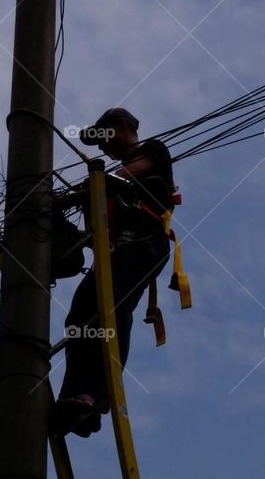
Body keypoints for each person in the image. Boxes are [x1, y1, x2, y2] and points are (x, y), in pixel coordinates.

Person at [52, 108, 174, 438]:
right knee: (81, 315)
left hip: (144, 243)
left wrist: (88, 187)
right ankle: (76, 397)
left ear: (120, 125)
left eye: (103, 136)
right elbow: (96, 237)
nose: (103, 147)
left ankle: (96, 394)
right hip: (114, 251)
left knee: (112, 306)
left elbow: (125, 176)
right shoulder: (101, 181)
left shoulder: (153, 151)